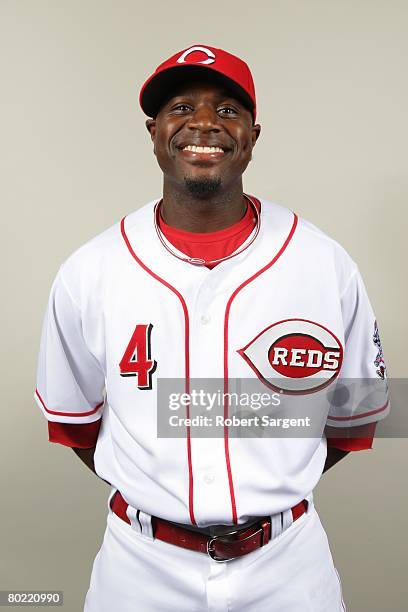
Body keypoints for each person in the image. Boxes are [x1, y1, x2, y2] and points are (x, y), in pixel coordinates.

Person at [34, 44, 390, 611]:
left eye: (227, 110)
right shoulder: (89, 269)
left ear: (252, 134)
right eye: (180, 107)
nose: (204, 122)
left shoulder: (324, 262)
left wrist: (272, 481)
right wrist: (161, 495)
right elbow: (75, 425)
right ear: (154, 131)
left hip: (289, 566)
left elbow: (355, 420)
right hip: (140, 567)